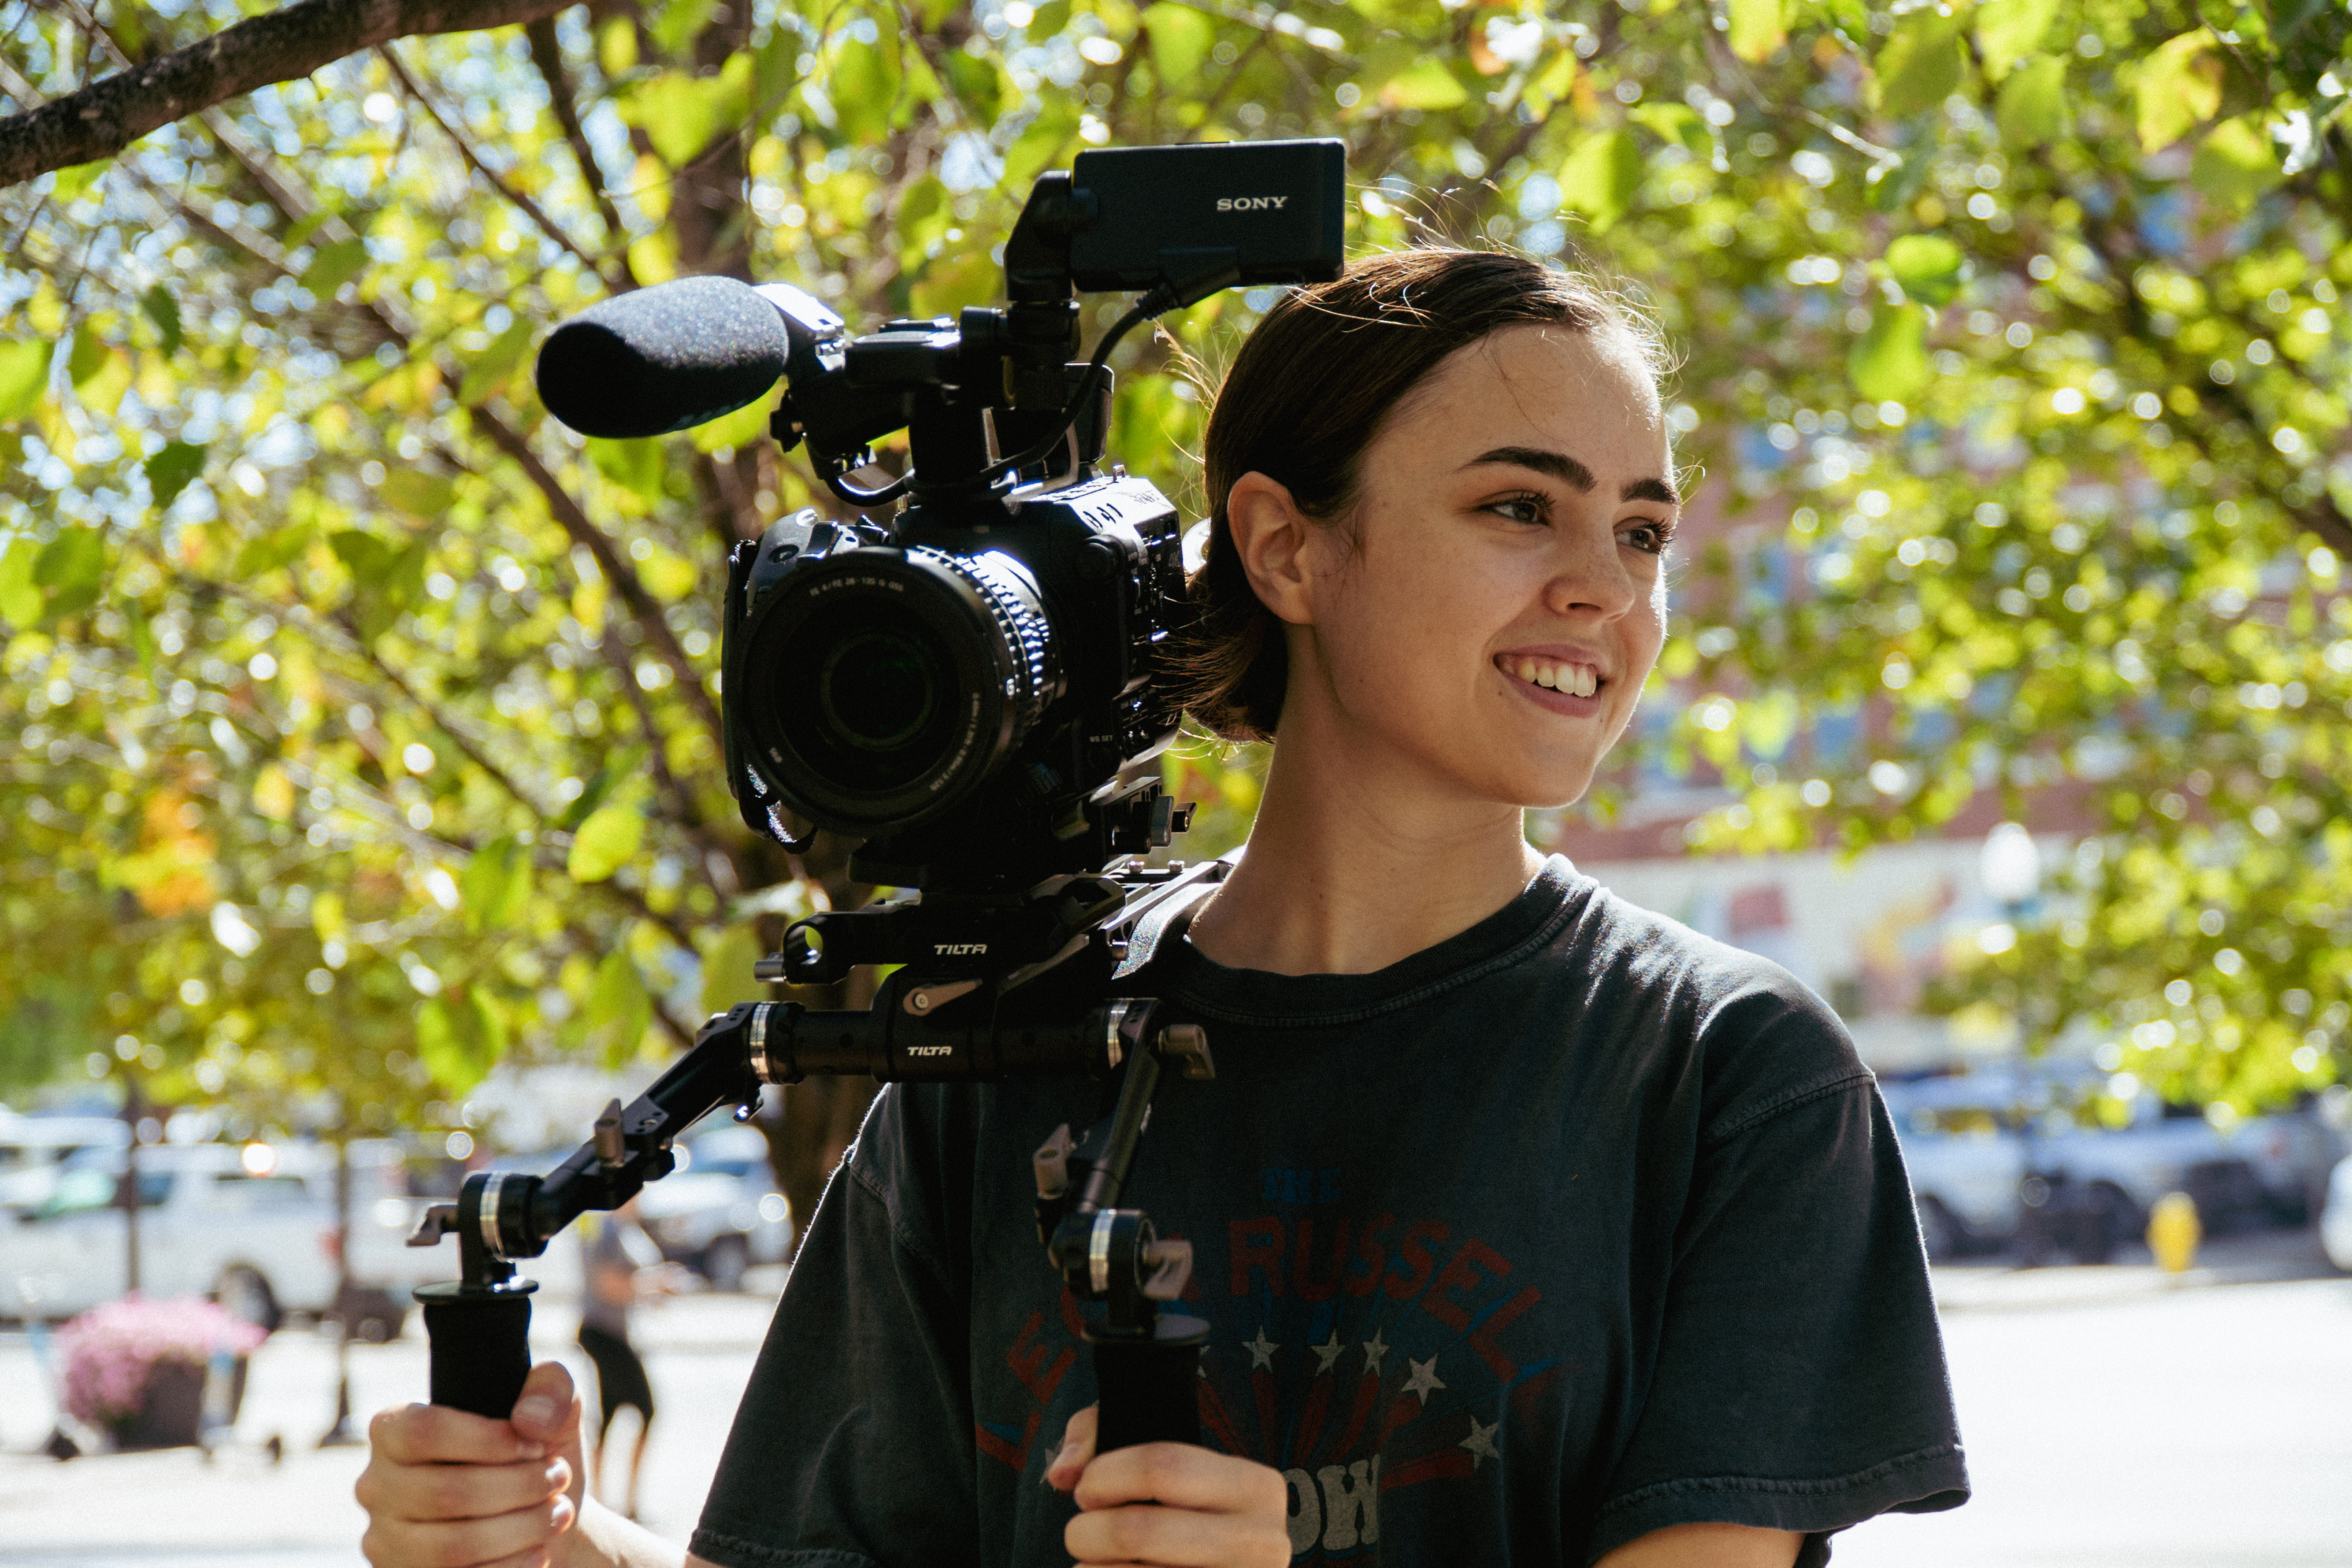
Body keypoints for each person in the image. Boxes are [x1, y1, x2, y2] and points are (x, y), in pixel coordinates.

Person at [357, 247, 1970, 1568]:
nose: (1606, 590)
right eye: (1516, 507)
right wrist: (551, 1544)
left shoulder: (1730, 1072)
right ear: (1286, 545)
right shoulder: (1006, 1039)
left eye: (1642, 530)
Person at [577, 1196, 665, 1521]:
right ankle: (609, 1501)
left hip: (619, 1333)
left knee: (614, 1414)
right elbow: (607, 1284)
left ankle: (616, 1501)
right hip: (605, 1332)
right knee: (639, 1410)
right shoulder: (607, 1230)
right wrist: (652, 1287)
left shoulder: (626, 1229)